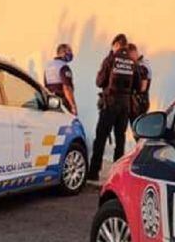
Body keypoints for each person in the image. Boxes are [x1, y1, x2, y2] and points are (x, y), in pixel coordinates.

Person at [88, 33, 135, 181]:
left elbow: (99, 81)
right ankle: (117, 175)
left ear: (115, 45)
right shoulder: (133, 62)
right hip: (125, 105)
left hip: (110, 103)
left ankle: (94, 172)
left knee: (101, 137)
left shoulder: (111, 60)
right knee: (120, 139)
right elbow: (138, 85)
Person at [44, 44, 77, 114]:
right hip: (63, 103)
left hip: (51, 103)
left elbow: (46, 86)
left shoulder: (48, 66)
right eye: (69, 51)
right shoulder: (64, 67)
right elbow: (67, 88)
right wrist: (73, 105)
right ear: (63, 52)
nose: (71, 54)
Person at [128, 43, 152, 123]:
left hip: (139, 103)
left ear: (133, 52)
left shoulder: (142, 66)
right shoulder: (141, 64)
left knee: (138, 127)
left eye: (129, 55)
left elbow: (143, 88)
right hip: (139, 102)